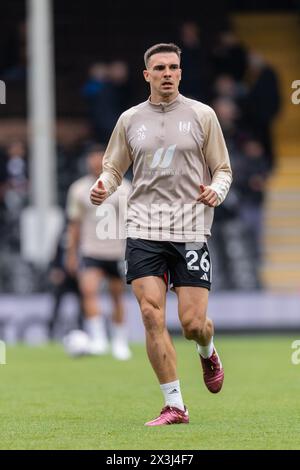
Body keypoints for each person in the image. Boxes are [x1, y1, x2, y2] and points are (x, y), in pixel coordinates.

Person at [90, 43, 232, 425]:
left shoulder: (203, 115)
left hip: (190, 228)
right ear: (147, 75)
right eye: (160, 68)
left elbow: (223, 170)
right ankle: (175, 405)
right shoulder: (130, 119)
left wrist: (216, 191)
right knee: (151, 315)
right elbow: (113, 167)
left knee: (192, 324)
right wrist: (104, 184)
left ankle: (207, 350)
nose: (167, 73)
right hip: (143, 228)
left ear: (181, 73)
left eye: (173, 67)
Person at [66, 144, 132, 360]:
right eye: (92, 158)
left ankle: (120, 342)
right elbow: (74, 225)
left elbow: (134, 220)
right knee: (89, 291)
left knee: (116, 297)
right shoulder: (78, 189)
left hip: (117, 251)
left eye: (100, 157)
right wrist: (71, 253)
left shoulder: (124, 188)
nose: (95, 161)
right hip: (91, 250)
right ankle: (99, 339)